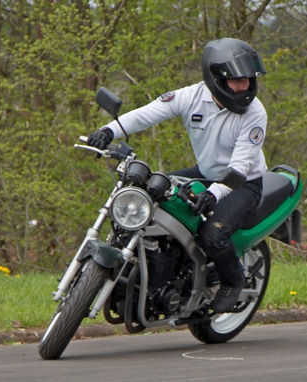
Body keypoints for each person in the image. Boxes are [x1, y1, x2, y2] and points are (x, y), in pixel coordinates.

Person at [86, 38, 268, 313]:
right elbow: (146, 114)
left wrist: (213, 194)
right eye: (237, 80)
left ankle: (233, 280)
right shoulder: (190, 97)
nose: (244, 87)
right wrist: (108, 131)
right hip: (206, 173)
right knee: (146, 195)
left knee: (212, 234)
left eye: (248, 80)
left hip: (244, 184)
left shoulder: (255, 114)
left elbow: (241, 167)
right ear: (216, 77)